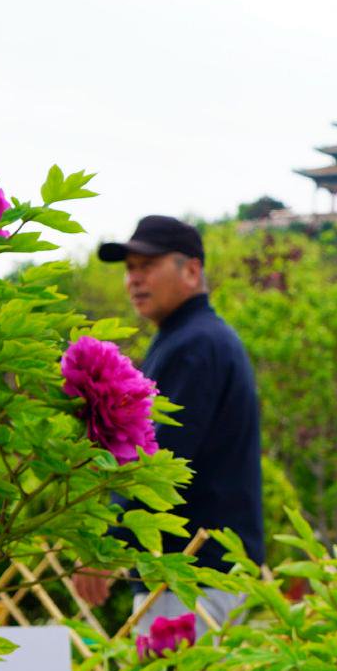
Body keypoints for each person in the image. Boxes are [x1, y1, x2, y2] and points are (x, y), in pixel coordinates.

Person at [77, 215, 263, 624]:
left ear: (191, 271)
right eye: (130, 268)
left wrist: (108, 545)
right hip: (206, 570)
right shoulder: (195, 337)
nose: (134, 279)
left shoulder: (194, 344)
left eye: (147, 265)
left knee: (169, 670)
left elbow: (158, 459)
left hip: (191, 573)